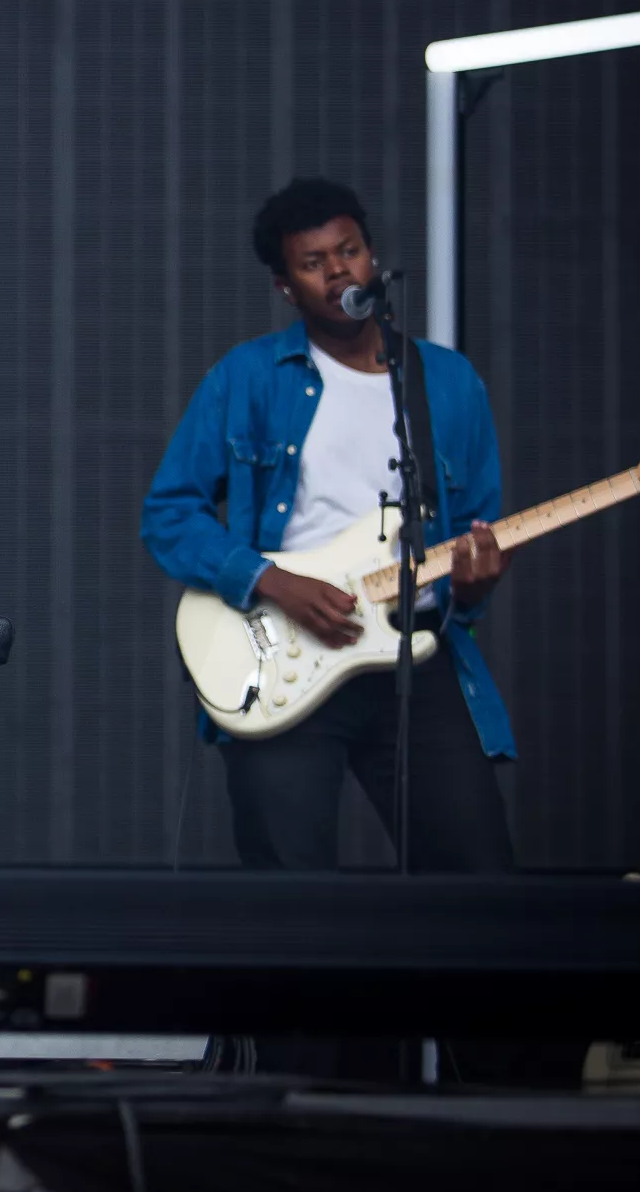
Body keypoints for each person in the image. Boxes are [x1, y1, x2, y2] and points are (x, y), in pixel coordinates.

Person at [141, 177, 516, 871]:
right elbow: (168, 515)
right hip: (287, 651)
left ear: (373, 257)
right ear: (287, 287)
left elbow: (473, 527)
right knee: (291, 888)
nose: (338, 270)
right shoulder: (248, 377)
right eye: (314, 263)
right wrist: (272, 581)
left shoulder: (448, 382)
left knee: (476, 878)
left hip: (413, 650)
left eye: (349, 251)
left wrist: (473, 583)